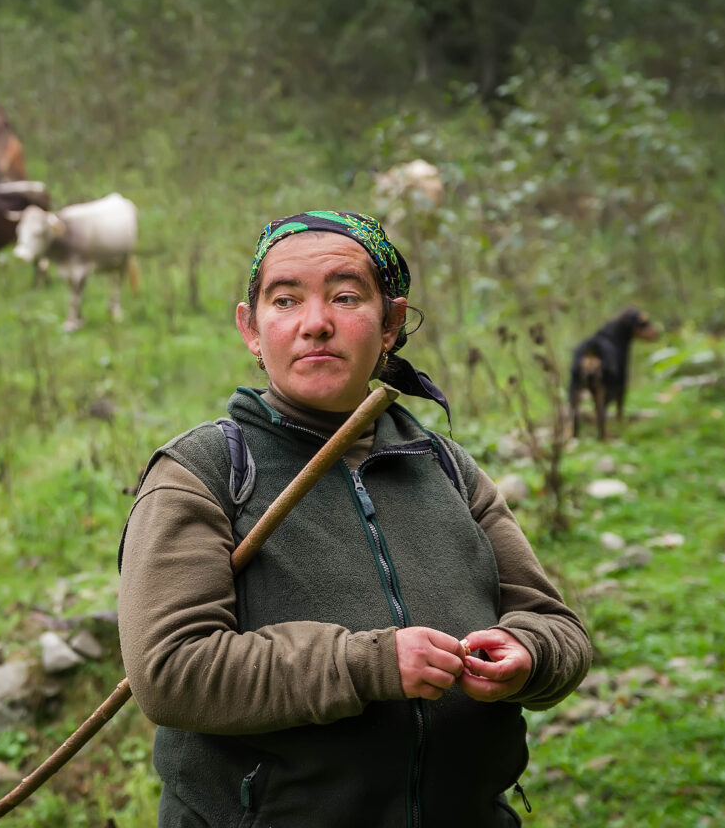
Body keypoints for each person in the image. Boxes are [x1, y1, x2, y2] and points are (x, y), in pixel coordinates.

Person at [117, 211, 592, 827]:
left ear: (391, 324)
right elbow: (170, 671)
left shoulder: (445, 468)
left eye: (345, 297)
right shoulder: (205, 472)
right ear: (252, 330)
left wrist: (528, 653)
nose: (316, 324)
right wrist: (368, 664)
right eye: (285, 301)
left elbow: (558, 628)